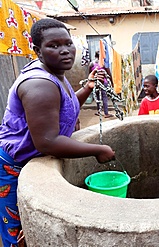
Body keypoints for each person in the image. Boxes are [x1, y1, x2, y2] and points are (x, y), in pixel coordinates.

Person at [0, 19, 115, 246]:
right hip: (13, 166)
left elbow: (66, 107)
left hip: (29, 160)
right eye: (53, 45)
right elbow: (47, 142)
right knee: (19, 233)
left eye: (68, 43)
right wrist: (98, 150)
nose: (65, 50)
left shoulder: (55, 74)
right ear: (38, 51)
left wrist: (87, 88)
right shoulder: (39, 85)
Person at [88, 51, 114, 118]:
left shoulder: (91, 64)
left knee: (97, 97)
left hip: (95, 82)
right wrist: (112, 83)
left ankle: (99, 112)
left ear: (95, 56)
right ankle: (106, 113)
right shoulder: (104, 64)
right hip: (103, 82)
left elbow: (90, 74)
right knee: (104, 97)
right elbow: (109, 74)